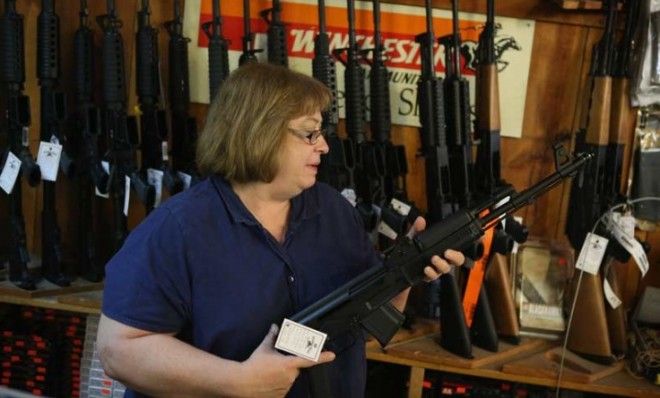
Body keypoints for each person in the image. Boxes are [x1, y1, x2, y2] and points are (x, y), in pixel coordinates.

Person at [96, 63, 465, 398]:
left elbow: (360, 325)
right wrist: (236, 380)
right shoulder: (178, 229)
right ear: (259, 132)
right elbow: (120, 350)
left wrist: (405, 271)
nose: (323, 146)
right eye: (309, 134)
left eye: (321, 133)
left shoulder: (333, 211)